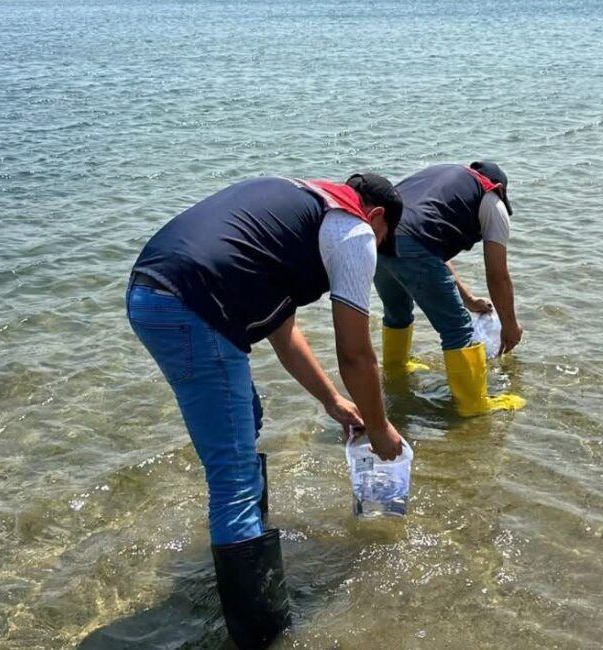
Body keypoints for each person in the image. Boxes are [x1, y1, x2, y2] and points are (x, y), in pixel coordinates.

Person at [126, 173, 405, 649]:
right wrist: (379, 428)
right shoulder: (354, 231)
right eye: (385, 242)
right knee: (232, 477)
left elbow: (284, 335)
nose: (378, 254)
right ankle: (262, 636)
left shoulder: (299, 208)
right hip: (192, 303)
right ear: (376, 217)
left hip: (150, 292)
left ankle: (240, 561)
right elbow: (356, 355)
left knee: (242, 421)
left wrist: (334, 402)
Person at [375, 161, 526, 417]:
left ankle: (396, 368)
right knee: (457, 328)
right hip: (413, 242)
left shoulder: (443, 178)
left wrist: (468, 299)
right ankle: (473, 404)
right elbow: (497, 275)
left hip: (378, 238)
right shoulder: (493, 202)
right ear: (498, 189)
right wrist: (510, 326)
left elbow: (431, 241)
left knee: (397, 310)